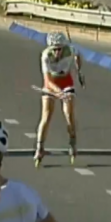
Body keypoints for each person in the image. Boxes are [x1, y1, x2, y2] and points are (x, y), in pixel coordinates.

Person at [34, 31, 83, 166]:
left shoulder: (70, 50)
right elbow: (48, 81)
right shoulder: (45, 56)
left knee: (68, 114)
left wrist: (78, 69)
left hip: (66, 82)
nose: (57, 52)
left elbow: (78, 55)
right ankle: (39, 148)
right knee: (46, 116)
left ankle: (72, 142)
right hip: (52, 83)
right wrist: (58, 92)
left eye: (59, 49)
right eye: (54, 49)